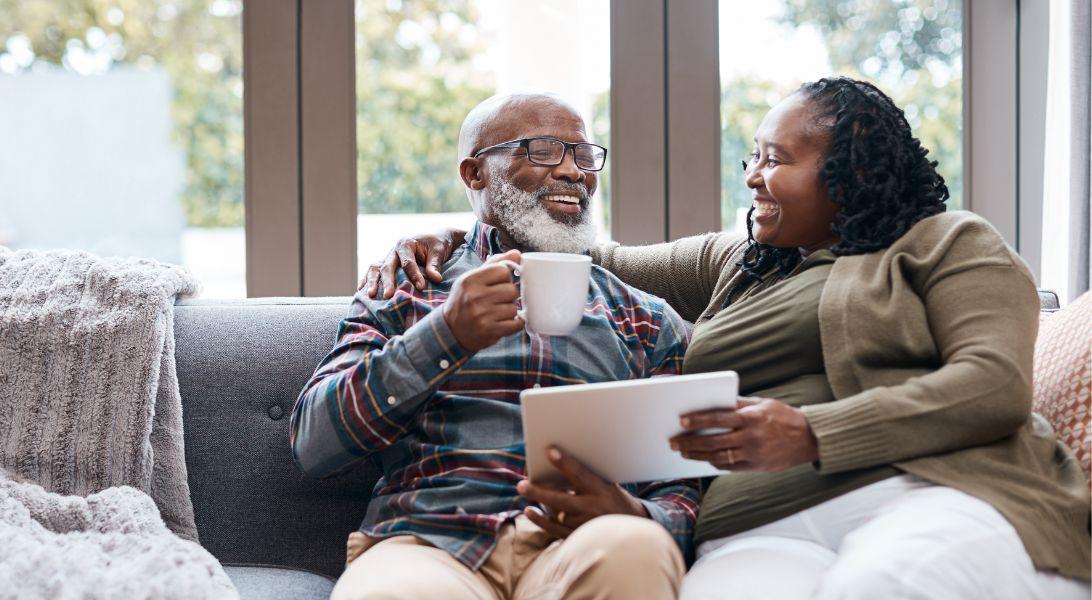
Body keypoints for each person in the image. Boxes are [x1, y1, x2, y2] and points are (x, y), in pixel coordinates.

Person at [361, 77, 1092, 598]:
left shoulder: (944, 243)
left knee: (884, 585)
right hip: (761, 521)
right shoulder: (738, 262)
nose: (750, 177)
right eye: (751, 157)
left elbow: (994, 387)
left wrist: (810, 433)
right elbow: (573, 254)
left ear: (849, 170)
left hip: (922, 491)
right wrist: (455, 231)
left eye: (774, 159)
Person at [291, 93, 698, 600]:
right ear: (474, 173)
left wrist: (637, 513)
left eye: (584, 154)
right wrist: (445, 335)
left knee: (636, 547)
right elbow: (313, 442)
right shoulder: (407, 286)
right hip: (430, 542)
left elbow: (683, 484)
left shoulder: (646, 319)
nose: (574, 171)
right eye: (545, 150)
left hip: (581, 543)